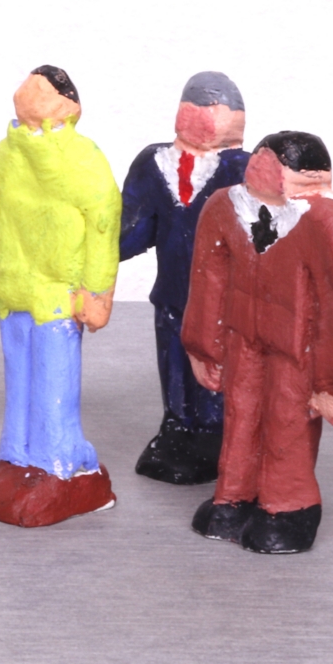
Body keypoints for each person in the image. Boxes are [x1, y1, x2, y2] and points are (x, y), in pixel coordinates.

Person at [182, 131, 333, 554]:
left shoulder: (330, 228)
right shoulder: (225, 207)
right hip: (242, 336)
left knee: (288, 420)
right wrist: (204, 345)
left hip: (296, 348)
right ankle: (234, 494)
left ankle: (289, 505)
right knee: (240, 413)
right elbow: (209, 275)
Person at [0, 66, 120, 528]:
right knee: (19, 377)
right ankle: (16, 457)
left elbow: (103, 224)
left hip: (60, 296)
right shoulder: (7, 153)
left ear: (69, 107)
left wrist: (98, 292)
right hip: (14, 288)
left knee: (53, 382)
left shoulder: (83, 158)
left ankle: (63, 464)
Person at [117, 71, 250, 484]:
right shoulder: (153, 163)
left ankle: (214, 432)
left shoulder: (243, 169)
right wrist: (89, 253)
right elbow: (133, 228)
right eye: (207, 109)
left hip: (224, 300)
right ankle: (176, 424)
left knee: (214, 364)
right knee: (174, 360)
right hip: (172, 293)